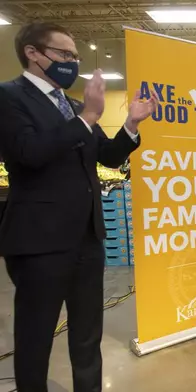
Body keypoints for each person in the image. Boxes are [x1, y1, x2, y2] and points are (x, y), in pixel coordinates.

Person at [0, 22, 159, 391]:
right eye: (64, 54)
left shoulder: (72, 105)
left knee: (87, 334)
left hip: (87, 238)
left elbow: (108, 156)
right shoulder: (9, 97)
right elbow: (28, 153)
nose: (72, 62)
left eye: (75, 56)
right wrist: (87, 117)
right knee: (35, 337)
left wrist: (131, 124)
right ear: (33, 53)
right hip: (39, 240)